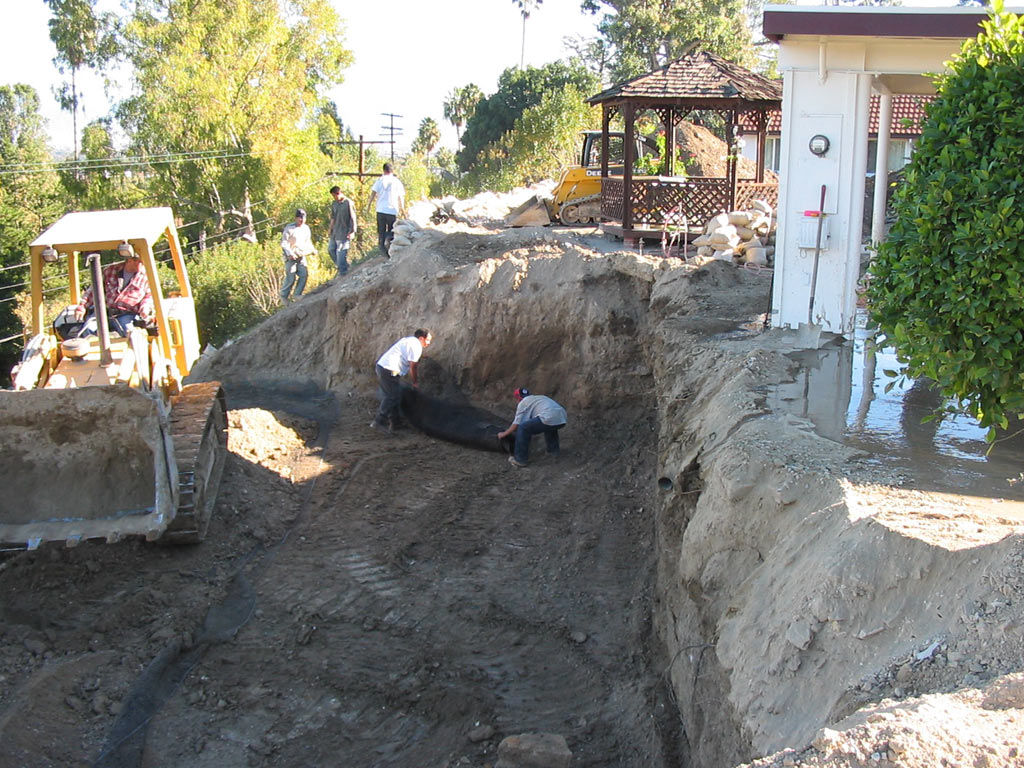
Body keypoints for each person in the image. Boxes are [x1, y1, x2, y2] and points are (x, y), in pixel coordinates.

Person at [62, 245, 154, 338]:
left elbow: (149, 296)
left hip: (127, 314)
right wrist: (82, 307)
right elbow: (93, 291)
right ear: (130, 261)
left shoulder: (145, 276)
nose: (143, 265)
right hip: (104, 312)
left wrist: (144, 308)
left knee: (129, 332)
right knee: (87, 330)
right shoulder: (110, 271)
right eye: (140, 262)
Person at [372, 329, 432, 433]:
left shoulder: (408, 341)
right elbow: (413, 366)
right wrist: (415, 382)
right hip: (388, 369)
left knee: (394, 395)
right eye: (428, 340)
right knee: (392, 396)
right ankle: (379, 421)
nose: (428, 343)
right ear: (421, 338)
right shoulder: (416, 346)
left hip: (382, 367)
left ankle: (395, 423)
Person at [497, 387, 568, 468]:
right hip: (562, 417)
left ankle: (520, 459)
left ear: (518, 398)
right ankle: (553, 451)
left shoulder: (523, 403)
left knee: (523, 428)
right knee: (549, 425)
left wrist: (504, 434)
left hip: (548, 416)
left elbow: (516, 424)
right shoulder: (539, 398)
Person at [367, 162, 405, 257]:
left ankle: (382, 248)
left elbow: (373, 194)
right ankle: (390, 248)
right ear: (392, 171)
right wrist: (403, 210)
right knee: (391, 230)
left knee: (381, 230)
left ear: (383, 170)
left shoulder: (379, 180)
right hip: (392, 210)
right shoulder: (397, 182)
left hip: (380, 210)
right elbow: (401, 197)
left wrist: (368, 205)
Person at [280, 209, 316, 301]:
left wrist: (312, 250)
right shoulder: (289, 229)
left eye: (303, 218)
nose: (302, 220)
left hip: (301, 255)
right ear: (296, 218)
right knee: (291, 278)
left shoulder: (306, 229)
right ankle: (283, 297)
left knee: (304, 274)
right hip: (291, 256)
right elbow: (284, 243)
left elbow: (308, 242)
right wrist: (290, 253)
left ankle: (297, 294)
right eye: (300, 218)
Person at [327, 185, 357, 275]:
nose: (334, 198)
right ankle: (343, 265)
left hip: (344, 232)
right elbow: (333, 217)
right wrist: (330, 229)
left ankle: (343, 271)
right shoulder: (334, 203)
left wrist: (352, 231)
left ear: (339, 193)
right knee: (331, 249)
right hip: (335, 231)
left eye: (334, 195)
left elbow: (353, 218)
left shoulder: (348, 203)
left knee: (340, 251)